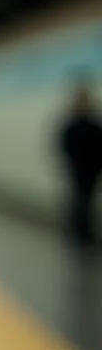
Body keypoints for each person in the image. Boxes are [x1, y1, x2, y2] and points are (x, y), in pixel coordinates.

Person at [59, 85, 102, 249]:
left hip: (90, 172)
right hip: (78, 171)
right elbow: (65, 147)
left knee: (85, 203)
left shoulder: (89, 125)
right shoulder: (75, 125)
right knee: (79, 202)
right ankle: (79, 233)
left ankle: (84, 234)